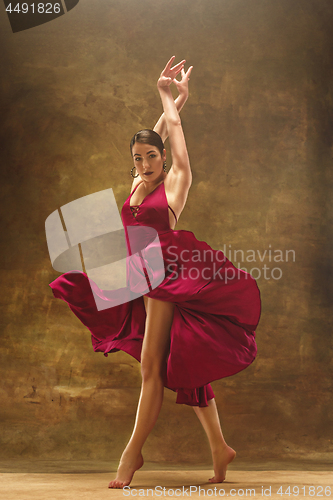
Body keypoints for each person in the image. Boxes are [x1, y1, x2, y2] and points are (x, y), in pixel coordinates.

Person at [49, 57, 261, 489]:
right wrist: (164, 116)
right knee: (181, 358)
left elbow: (173, 143)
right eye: (137, 158)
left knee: (152, 366)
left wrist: (170, 100)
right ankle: (220, 448)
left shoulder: (174, 184)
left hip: (165, 274)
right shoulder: (136, 184)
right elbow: (152, 139)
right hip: (136, 275)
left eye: (151, 158)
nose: (144, 164)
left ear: (164, 160)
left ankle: (132, 454)